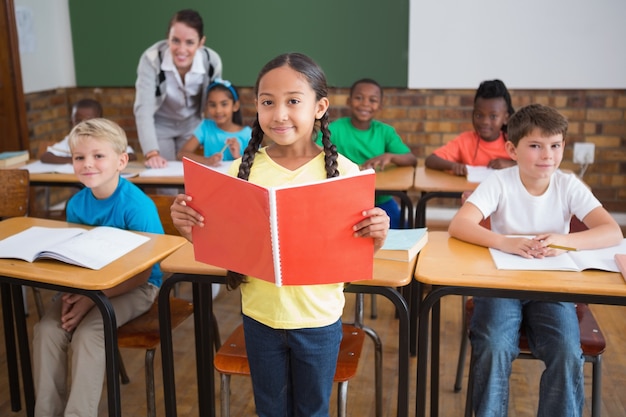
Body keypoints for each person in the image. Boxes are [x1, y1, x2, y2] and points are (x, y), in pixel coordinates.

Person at [170, 52, 389, 416]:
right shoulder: (241, 171)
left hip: (318, 321)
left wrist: (376, 237)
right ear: (256, 106)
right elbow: (226, 245)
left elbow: (351, 259)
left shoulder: (346, 174)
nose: (279, 114)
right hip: (260, 318)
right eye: (268, 102)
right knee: (269, 410)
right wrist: (189, 228)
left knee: (312, 410)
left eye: (293, 101)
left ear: (320, 107)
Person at [448, 104, 623, 417]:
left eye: (555, 146)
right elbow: (459, 225)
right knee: (493, 345)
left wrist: (564, 241)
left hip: (552, 289)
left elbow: (611, 231)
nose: (547, 155)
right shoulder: (500, 182)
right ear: (512, 150)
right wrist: (506, 242)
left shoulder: (568, 184)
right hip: (502, 285)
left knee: (567, 351)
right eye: (536, 146)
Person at [32, 118, 164, 417]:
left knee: (90, 332)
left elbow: (144, 271)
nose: (87, 164)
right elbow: (74, 257)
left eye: (98, 156)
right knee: (47, 330)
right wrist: (81, 295)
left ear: (121, 161)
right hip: (86, 287)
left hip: (138, 286)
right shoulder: (76, 205)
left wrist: (93, 298)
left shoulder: (137, 206)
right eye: (79, 157)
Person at [320, 78, 417, 228]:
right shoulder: (334, 129)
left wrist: (390, 156)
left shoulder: (385, 132)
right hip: (345, 199)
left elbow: (411, 159)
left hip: (381, 199)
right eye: (359, 98)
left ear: (380, 106)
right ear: (349, 101)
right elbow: (313, 153)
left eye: (372, 100)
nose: (365, 104)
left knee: (400, 232)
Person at [134, 9, 223, 168]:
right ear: (167, 37)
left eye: (189, 42)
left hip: (192, 125)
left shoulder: (211, 62)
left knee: (189, 177)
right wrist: (152, 153)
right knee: (164, 177)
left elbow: (215, 102)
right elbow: (143, 109)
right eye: (175, 40)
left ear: (201, 42)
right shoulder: (151, 59)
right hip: (161, 125)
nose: (181, 50)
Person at [425, 79, 516, 176]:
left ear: (506, 118)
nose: (485, 122)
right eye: (479, 115)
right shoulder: (465, 141)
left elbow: (533, 166)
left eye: (493, 116)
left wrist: (512, 164)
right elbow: (431, 160)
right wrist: (453, 166)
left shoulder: (513, 143)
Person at [177, 78, 251, 166]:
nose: (218, 110)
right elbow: (181, 154)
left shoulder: (248, 134)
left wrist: (237, 157)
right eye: (212, 105)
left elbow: (256, 167)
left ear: (235, 106)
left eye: (224, 104)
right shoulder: (205, 127)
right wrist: (207, 161)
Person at [40, 98, 136, 164]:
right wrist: (77, 160)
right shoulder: (71, 140)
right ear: (71, 122)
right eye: (78, 121)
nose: (83, 125)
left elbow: (131, 156)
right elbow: (46, 156)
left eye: (89, 121)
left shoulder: (107, 138)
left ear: (100, 121)